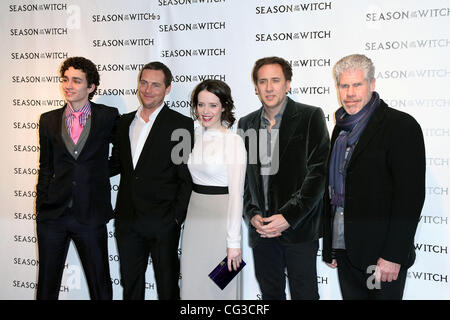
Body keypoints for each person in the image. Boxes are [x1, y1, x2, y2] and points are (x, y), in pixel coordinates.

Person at [322, 54, 426, 300]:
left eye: (357, 84)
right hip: (346, 250)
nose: (350, 93)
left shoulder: (400, 126)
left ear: (372, 84)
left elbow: (409, 198)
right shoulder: (341, 128)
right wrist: (331, 247)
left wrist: (393, 255)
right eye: (344, 85)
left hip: (381, 256)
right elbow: (335, 191)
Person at [237, 56, 330, 300]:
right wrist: (252, 214)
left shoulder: (310, 117)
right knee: (270, 295)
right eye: (263, 81)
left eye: (275, 80)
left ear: (287, 84)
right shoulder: (246, 124)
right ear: (256, 87)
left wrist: (288, 217)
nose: (269, 87)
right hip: (262, 232)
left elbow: (318, 174)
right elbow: (244, 180)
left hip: (298, 229)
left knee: (305, 295)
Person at [35, 56, 119, 300]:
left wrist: (98, 173)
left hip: (90, 215)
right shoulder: (48, 120)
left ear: (91, 87)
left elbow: (121, 157)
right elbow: (45, 167)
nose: (68, 85)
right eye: (65, 79)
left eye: (76, 81)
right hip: (53, 216)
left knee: (100, 286)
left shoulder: (108, 116)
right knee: (46, 288)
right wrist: (41, 206)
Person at [110, 61, 194, 300]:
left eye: (155, 85)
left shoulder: (181, 124)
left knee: (168, 289)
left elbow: (186, 178)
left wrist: (175, 218)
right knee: (131, 288)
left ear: (167, 89)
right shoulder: (124, 122)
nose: (147, 89)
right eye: (144, 83)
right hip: (127, 221)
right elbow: (116, 164)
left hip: (163, 223)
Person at [180, 80, 246, 299]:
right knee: (192, 284)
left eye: (213, 105)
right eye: (201, 105)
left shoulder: (233, 141)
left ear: (224, 107)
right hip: (194, 220)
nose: (205, 111)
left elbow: (237, 195)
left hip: (221, 222)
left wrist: (234, 243)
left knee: (219, 287)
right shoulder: (196, 137)